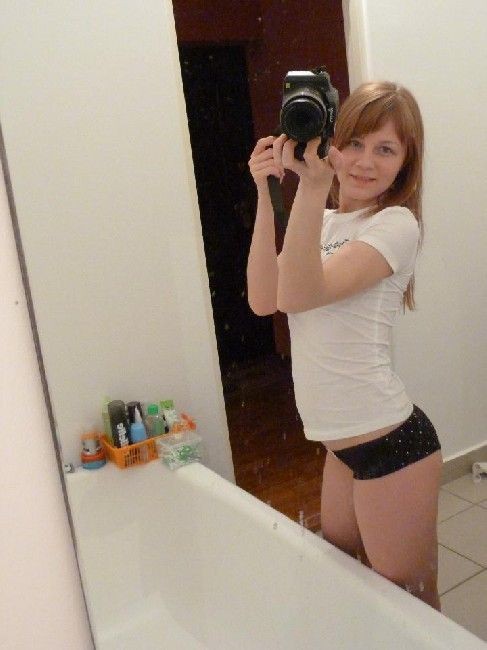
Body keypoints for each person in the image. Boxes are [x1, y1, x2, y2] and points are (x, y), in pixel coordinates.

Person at [247, 81, 443, 611]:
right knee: (347, 582)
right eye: (354, 143)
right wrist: (267, 194)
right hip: (339, 447)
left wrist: (311, 189)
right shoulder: (326, 220)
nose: (364, 162)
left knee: (411, 604)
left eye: (386, 149)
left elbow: (301, 294)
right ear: (333, 142)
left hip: (390, 443)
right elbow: (265, 299)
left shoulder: (396, 224)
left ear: (405, 163)